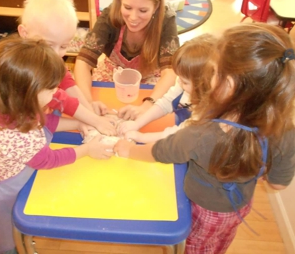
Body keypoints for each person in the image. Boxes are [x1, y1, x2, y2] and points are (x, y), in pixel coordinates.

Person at [113, 23, 295, 254]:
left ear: (227, 85)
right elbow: (278, 183)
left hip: (205, 209)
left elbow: (160, 151)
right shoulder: (285, 128)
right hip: (239, 205)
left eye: (213, 72)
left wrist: (128, 149)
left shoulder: (201, 133)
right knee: (219, 243)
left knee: (197, 247)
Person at [0, 38, 116, 254]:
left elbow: (41, 123)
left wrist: (78, 122)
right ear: (27, 92)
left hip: (11, 166)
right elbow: (47, 159)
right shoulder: (17, 135)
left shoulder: (14, 105)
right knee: (5, 235)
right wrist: (86, 150)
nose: (57, 92)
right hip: (6, 190)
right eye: (52, 88)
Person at [74, 0, 179, 121]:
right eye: (127, 8)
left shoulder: (166, 20)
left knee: (153, 117)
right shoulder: (110, 15)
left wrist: (147, 106)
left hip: (150, 75)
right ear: (120, 1)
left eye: (143, 10)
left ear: (156, 7)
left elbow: (170, 72)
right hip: (114, 72)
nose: (133, 17)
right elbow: (83, 61)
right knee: (104, 108)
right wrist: (88, 103)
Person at [18, 0, 116, 136]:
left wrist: (90, 113)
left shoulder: (48, 59)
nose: (56, 54)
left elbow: (68, 84)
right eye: (49, 45)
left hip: (43, 120)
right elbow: (61, 100)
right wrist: (95, 121)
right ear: (24, 33)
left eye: (63, 46)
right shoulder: (24, 68)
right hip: (23, 134)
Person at [118, 34, 218, 143]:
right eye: (179, 77)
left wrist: (141, 137)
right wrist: (137, 123)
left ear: (203, 84)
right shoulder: (184, 86)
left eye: (184, 82)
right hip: (183, 129)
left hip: (193, 140)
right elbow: (165, 103)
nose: (179, 82)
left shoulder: (208, 112)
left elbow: (181, 134)